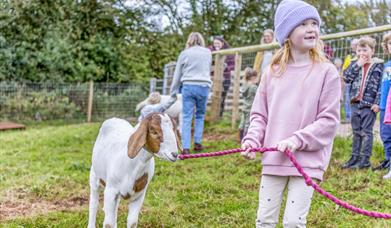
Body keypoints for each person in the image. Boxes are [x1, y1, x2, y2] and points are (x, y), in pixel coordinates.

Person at [240, 1, 341, 227]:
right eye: (303, 24)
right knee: (264, 219)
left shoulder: (327, 72)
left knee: (294, 222)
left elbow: (329, 121)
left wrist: (297, 140)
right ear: (287, 33)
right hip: (274, 160)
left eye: (314, 23)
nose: (311, 28)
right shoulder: (272, 73)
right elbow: (260, 115)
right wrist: (252, 139)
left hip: (307, 162)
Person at [341, 36, 384, 169]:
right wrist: (358, 64)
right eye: (358, 50)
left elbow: (381, 86)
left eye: (364, 50)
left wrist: (377, 102)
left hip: (369, 105)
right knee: (356, 132)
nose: (361, 53)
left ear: (372, 50)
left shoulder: (378, 66)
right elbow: (346, 78)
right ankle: (354, 158)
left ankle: (364, 160)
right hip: (355, 104)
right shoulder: (355, 64)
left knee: (366, 132)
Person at [170, 32, 212, 155]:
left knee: (187, 117)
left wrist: (173, 92)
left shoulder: (185, 53)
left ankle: (186, 147)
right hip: (204, 86)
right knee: (200, 115)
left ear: (189, 41)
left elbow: (177, 74)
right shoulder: (208, 53)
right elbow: (207, 69)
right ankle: (198, 143)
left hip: (189, 86)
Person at [376, 32, 391, 174]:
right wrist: (379, 104)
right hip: (384, 106)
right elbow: (382, 87)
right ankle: (388, 159)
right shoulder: (386, 66)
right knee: (385, 134)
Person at [209, 36, 235, 117]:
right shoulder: (210, 51)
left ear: (222, 43)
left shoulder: (228, 52)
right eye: (215, 43)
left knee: (222, 97)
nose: (216, 45)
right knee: (213, 96)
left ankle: (220, 115)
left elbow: (233, 65)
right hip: (213, 78)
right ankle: (211, 114)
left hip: (225, 78)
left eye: (218, 43)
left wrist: (226, 66)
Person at [342, 38, 359, 123]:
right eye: (352, 45)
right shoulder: (349, 57)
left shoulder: (361, 55)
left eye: (354, 45)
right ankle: (348, 117)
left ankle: (356, 116)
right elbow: (344, 69)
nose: (353, 47)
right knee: (348, 100)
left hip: (358, 82)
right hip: (349, 83)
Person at [238, 67, 258, 141]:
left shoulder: (245, 85)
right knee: (247, 124)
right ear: (253, 78)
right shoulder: (253, 87)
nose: (257, 80)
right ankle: (245, 139)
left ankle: (240, 137)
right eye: (256, 78)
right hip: (250, 108)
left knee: (242, 123)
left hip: (244, 107)